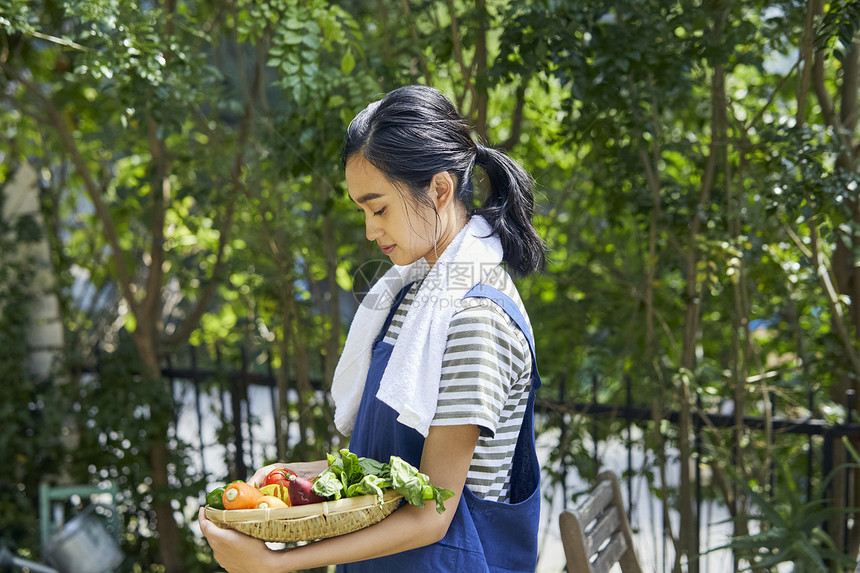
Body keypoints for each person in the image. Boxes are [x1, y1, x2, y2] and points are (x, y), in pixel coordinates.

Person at [199, 84, 545, 572]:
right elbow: (397, 470)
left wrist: (277, 564)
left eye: (378, 208)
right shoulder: (411, 293)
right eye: (361, 210)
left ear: (440, 189)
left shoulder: (475, 319)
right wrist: (300, 478)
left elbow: (432, 512)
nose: (369, 230)